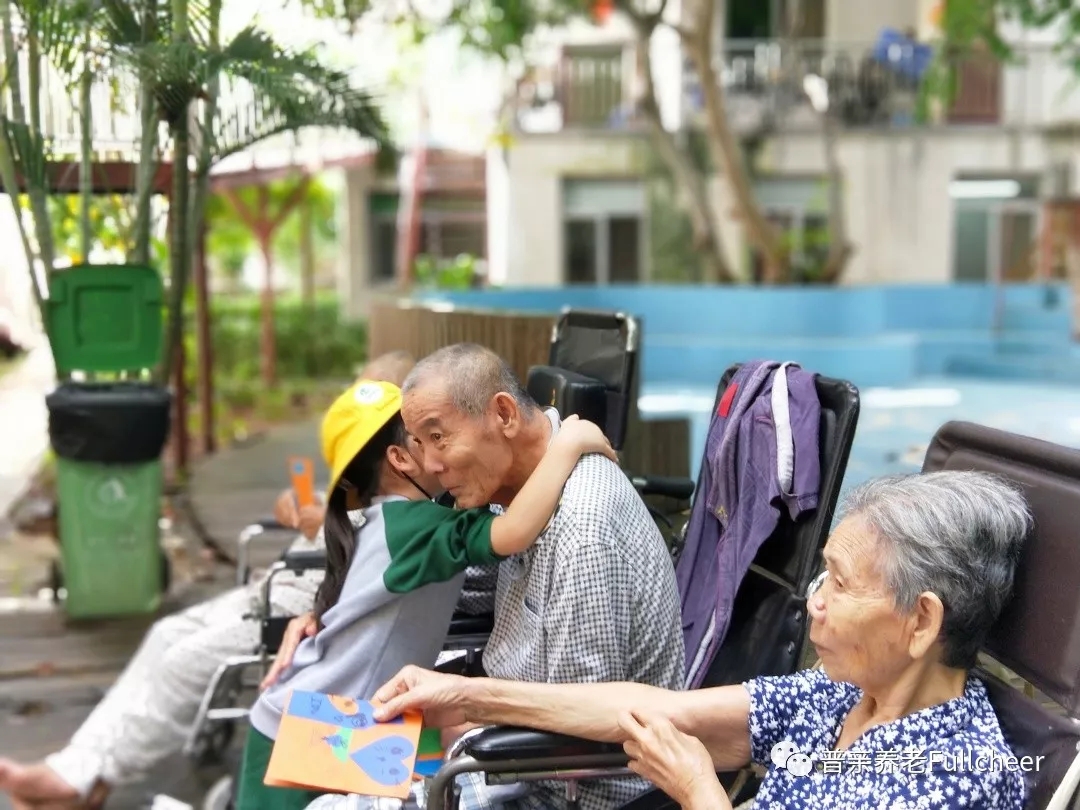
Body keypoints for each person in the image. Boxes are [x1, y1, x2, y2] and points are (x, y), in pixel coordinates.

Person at [372, 470, 1032, 810]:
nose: (814, 600)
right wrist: (468, 695)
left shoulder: (952, 772)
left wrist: (698, 792)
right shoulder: (842, 695)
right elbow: (654, 711)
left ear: (920, 622)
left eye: (840, 582)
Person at [0, 351, 479, 810]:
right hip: (297, 592)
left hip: (297, 599)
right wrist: (315, 514)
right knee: (167, 632)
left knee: (183, 661)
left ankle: (78, 779)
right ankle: (82, 769)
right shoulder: (380, 496)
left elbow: (424, 560)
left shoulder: (423, 515)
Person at [234, 378, 617, 810]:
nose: (440, 453)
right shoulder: (420, 527)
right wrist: (569, 445)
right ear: (400, 459)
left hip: (313, 716)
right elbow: (512, 531)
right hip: (318, 728)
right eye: (427, 439)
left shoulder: (389, 520)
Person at [392, 343, 685, 809]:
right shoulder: (506, 485)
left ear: (503, 415)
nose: (430, 465)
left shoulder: (583, 529)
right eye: (419, 443)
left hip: (563, 789)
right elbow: (471, 589)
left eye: (439, 437)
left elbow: (584, 720)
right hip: (503, 754)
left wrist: (465, 706)